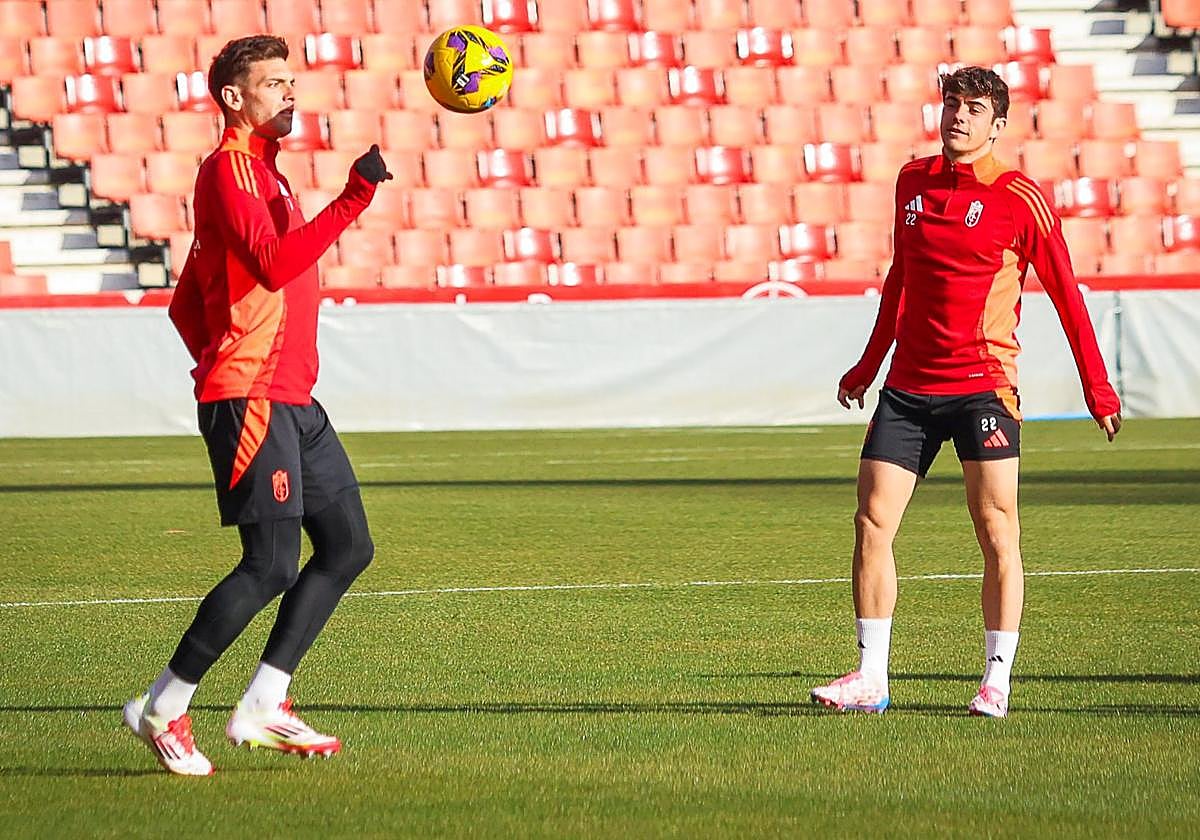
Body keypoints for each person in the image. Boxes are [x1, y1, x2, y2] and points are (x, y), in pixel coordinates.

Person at [809, 66, 1122, 719]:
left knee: (996, 527)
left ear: (997, 124)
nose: (958, 115)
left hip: (983, 388)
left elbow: (1067, 293)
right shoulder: (911, 182)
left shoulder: (1018, 198)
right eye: (952, 102)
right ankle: (871, 677)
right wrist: (868, 365)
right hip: (908, 387)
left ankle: (996, 681)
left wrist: (1098, 389)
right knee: (871, 522)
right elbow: (900, 279)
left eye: (974, 108)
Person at [123, 35, 393, 776]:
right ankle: (164, 706)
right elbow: (275, 265)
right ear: (233, 98)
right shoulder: (229, 169)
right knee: (270, 563)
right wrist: (354, 198)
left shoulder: (265, 176)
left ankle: (264, 703)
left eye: (292, 80)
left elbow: (187, 300)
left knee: (347, 547)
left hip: (290, 397)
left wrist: (223, 346)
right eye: (273, 82)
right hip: (253, 395)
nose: (289, 92)